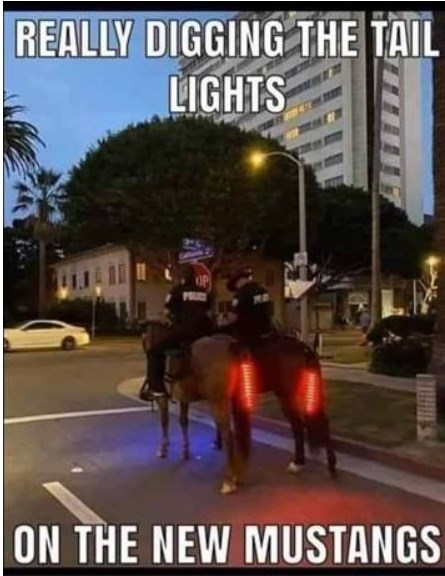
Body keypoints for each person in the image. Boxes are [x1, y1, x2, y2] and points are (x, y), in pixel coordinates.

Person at [144, 264, 213, 399]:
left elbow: (166, 313)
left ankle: (157, 389)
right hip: (204, 332)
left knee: (155, 351)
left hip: (184, 331)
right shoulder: (204, 292)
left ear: (181, 277)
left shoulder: (176, 291)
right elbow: (209, 313)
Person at [224, 268, 274, 351]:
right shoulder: (263, 291)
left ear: (237, 281)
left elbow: (233, 317)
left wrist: (227, 319)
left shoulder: (240, 295)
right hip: (264, 333)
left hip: (245, 337)